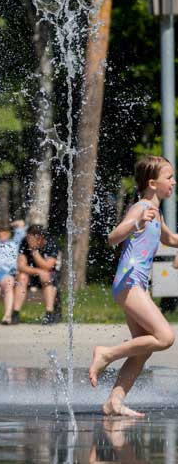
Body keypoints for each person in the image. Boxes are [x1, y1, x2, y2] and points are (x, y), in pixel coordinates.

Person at [89, 155, 177, 417]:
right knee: (165, 338)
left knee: (143, 349)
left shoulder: (155, 211)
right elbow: (112, 237)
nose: (173, 182)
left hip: (135, 285)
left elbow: (170, 238)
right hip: (129, 282)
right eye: (169, 177)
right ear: (152, 183)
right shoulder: (140, 208)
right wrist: (136, 223)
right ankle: (106, 354)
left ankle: (114, 401)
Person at [12, 224, 59, 325]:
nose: (28, 240)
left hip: (48, 276)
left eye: (31, 238)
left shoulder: (51, 243)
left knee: (47, 277)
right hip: (31, 274)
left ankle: (49, 313)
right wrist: (38, 271)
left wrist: (34, 251)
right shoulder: (24, 242)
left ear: (40, 238)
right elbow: (20, 266)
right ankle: (15, 313)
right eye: (28, 237)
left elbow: (48, 266)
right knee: (21, 277)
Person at [0, 220, 26, 325]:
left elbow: (21, 225)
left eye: (4, 232)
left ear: (9, 234)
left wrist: (10, 225)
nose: (1, 234)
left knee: (8, 285)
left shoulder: (15, 243)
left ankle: (7, 316)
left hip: (7, 273)